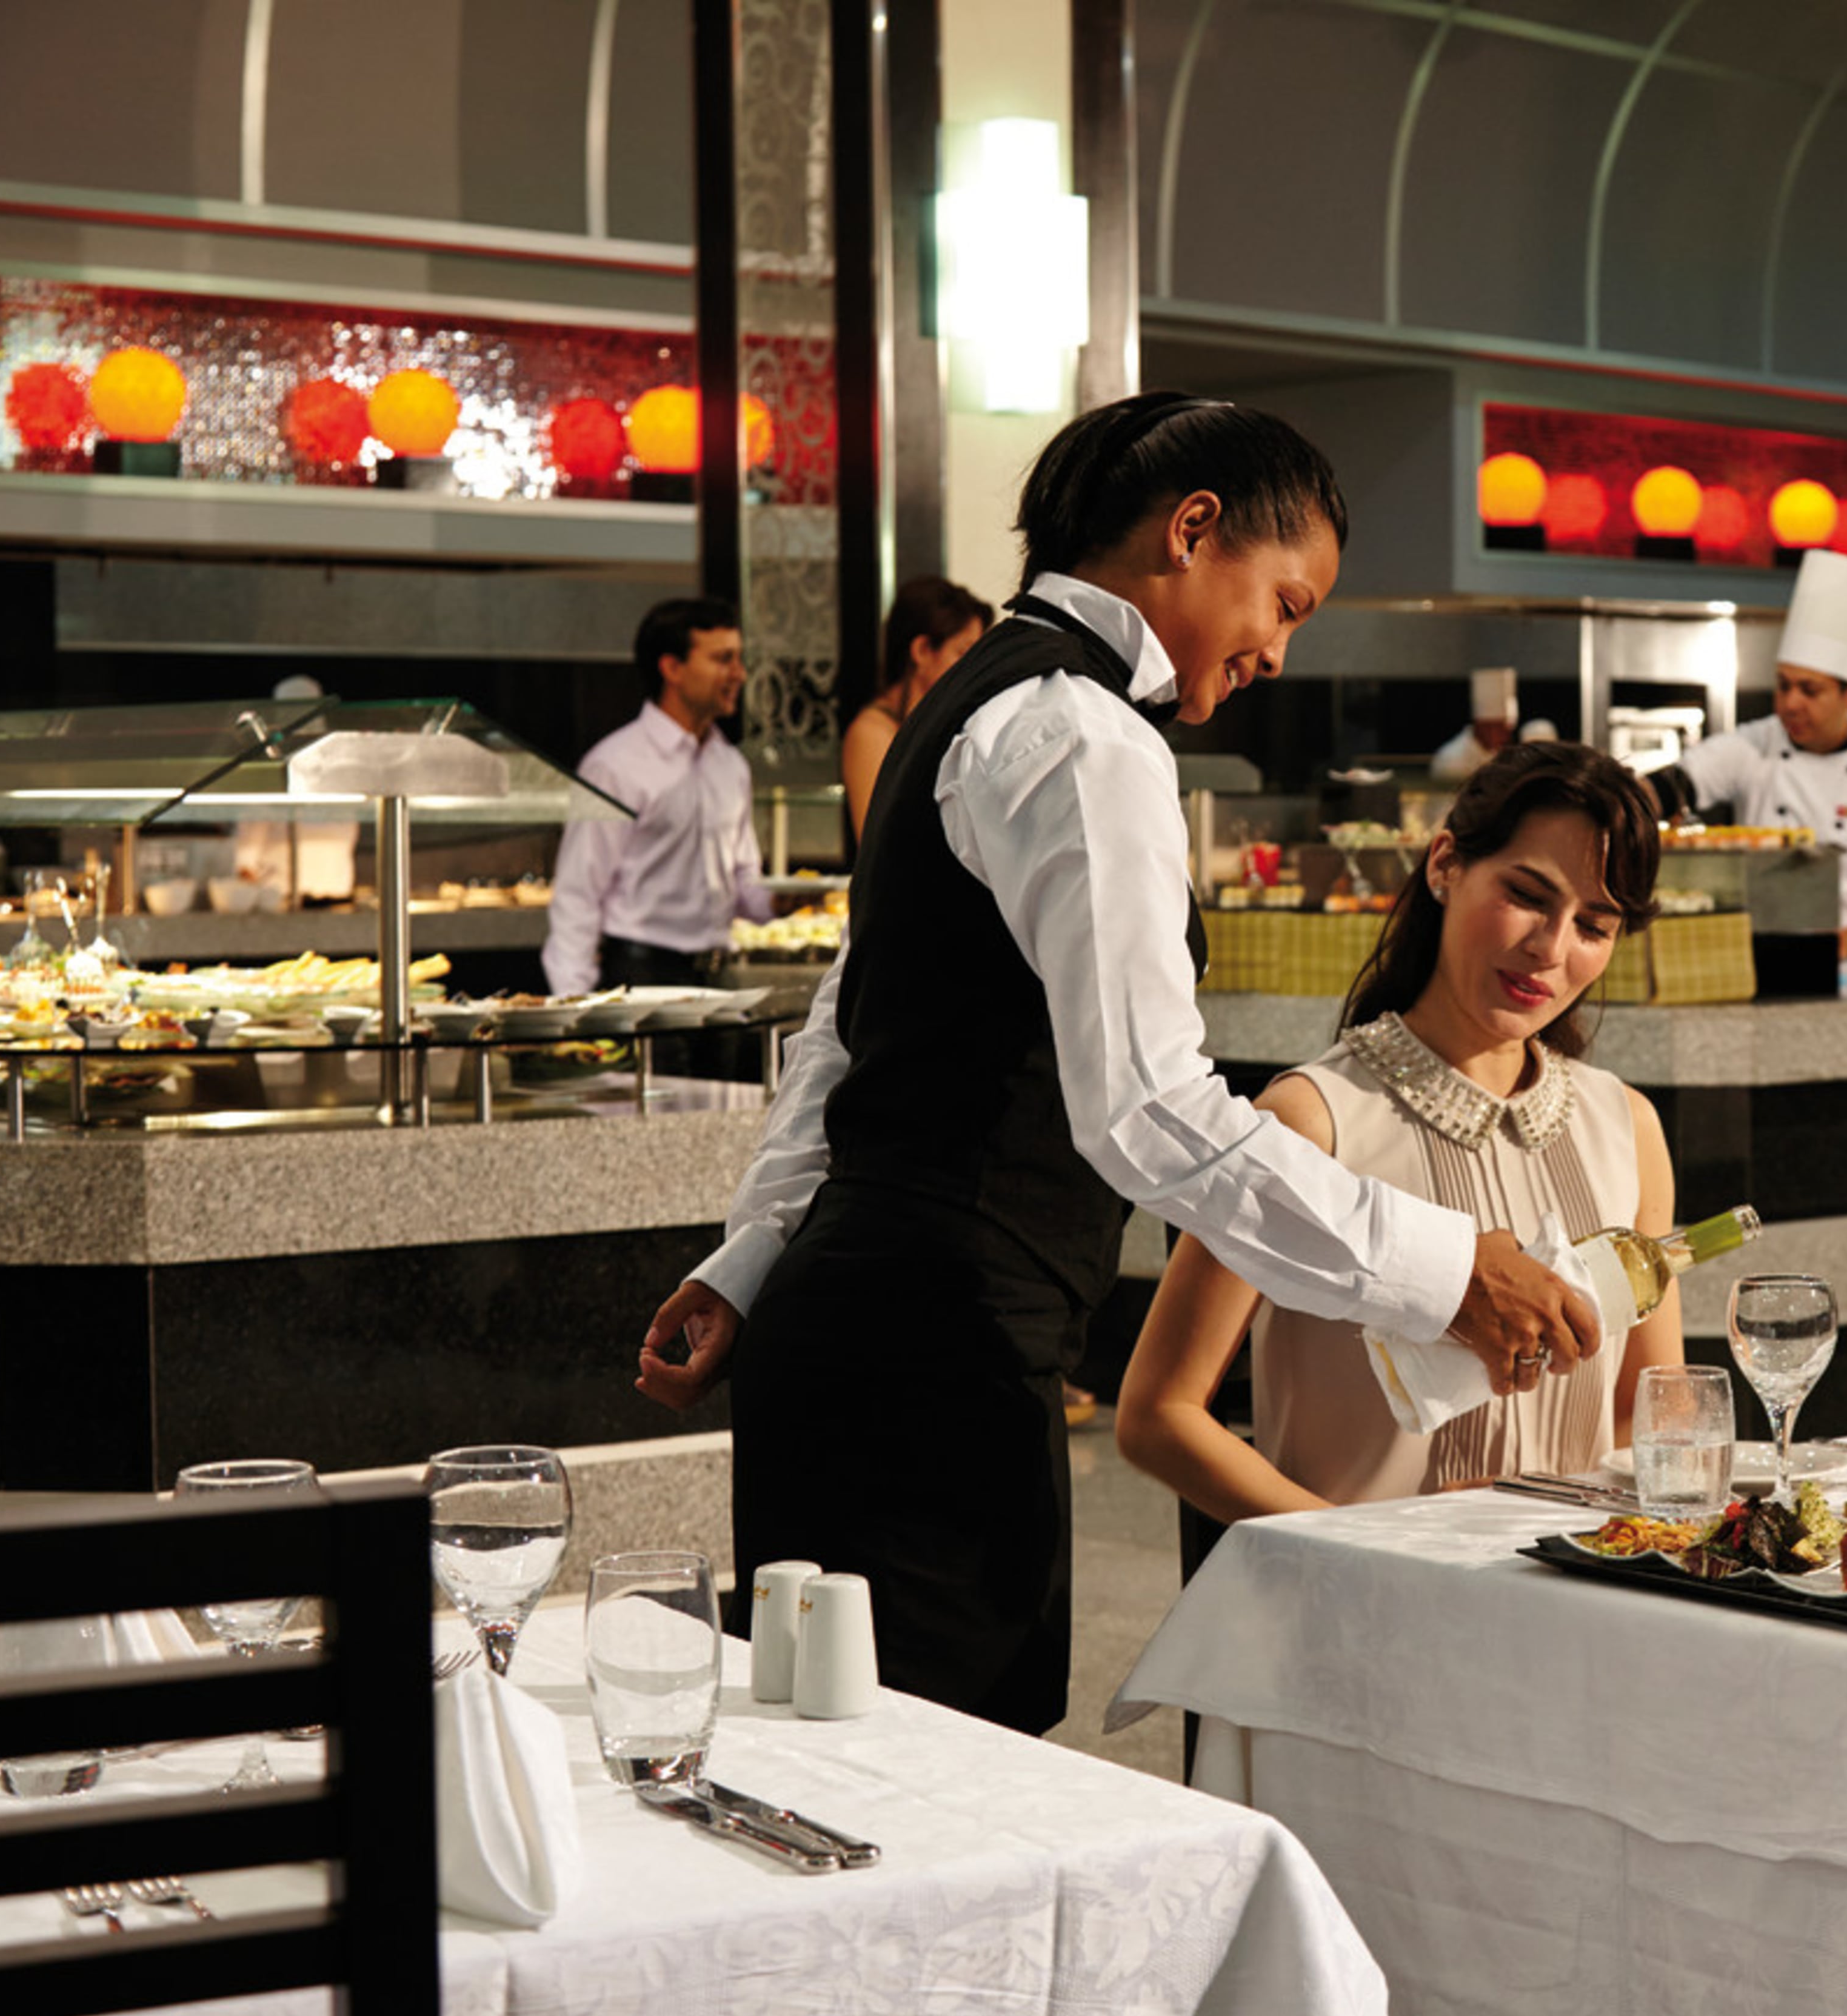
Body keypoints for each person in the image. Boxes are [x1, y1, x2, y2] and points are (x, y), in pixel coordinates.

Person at [629, 392, 1598, 1734]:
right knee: (934, 1780)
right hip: (935, 1352)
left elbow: (850, 1025)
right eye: (1286, 601)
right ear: (1194, 529)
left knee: (829, 1764)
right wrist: (1446, 1268)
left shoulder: (969, 702)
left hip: (845, 1327)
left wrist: (755, 1256)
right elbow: (1147, 1110)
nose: (1276, 648)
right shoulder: (1082, 733)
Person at [1115, 741, 1679, 1518]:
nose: (1549, 949)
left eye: (1593, 924)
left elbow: (1651, 1407)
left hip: (1574, 1607)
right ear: (1444, 863)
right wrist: (1355, 1551)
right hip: (1357, 1611)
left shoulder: (1628, 1125)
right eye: (1526, 893)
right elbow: (1157, 1415)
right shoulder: (1311, 1118)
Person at [1654, 549, 1847, 1001]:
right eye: (1783, 685)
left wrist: (1835, 948)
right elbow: (1675, 786)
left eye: (1809, 690)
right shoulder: (1755, 744)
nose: (1790, 703)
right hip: (1757, 975)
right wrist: (1624, 799)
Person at [541, 596, 773, 996]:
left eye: (739, 658)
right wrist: (574, 1004)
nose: (740, 673)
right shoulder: (613, 764)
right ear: (672, 668)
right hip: (642, 975)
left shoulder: (731, 765)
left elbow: (742, 884)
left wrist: (780, 902)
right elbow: (579, 894)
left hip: (721, 977)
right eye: (723, 659)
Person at [838, 576, 995, 845]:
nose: (972, 669)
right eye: (962, 653)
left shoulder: (942, 724)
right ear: (922, 650)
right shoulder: (873, 733)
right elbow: (879, 843)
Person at [1430, 667, 1521, 783]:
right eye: (1501, 729)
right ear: (1484, 726)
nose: (1507, 737)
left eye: (1509, 729)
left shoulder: (1498, 753)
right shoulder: (1452, 760)